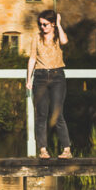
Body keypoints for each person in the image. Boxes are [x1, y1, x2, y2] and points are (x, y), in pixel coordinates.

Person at [26, 9, 72, 159]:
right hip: (40, 77)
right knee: (41, 114)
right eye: (40, 25)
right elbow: (32, 58)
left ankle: (66, 149)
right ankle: (43, 150)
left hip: (57, 76)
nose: (42, 27)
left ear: (52, 24)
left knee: (57, 114)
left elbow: (65, 41)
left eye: (45, 24)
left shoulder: (58, 37)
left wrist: (58, 24)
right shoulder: (36, 38)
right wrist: (28, 79)